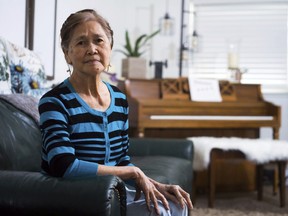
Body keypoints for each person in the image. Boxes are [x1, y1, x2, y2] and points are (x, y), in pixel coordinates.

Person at [38, 9, 193, 216]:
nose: (92, 49)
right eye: (81, 42)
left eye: (98, 40)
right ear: (67, 53)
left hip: (112, 193)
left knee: (175, 205)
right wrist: (131, 172)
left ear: (109, 48)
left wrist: (154, 185)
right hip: (73, 195)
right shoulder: (54, 101)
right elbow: (63, 165)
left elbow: (121, 160)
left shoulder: (119, 99)